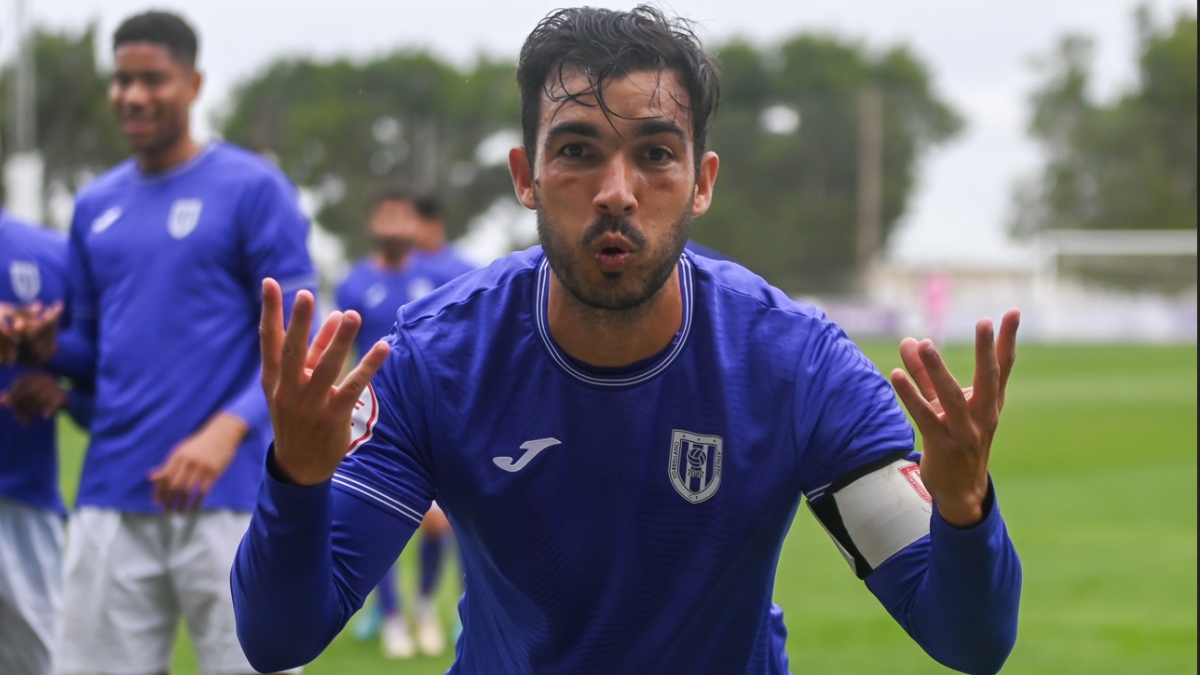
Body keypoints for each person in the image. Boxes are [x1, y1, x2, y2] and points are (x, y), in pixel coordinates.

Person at [233, 6, 1022, 675]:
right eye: (576, 151)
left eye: (655, 154)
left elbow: (968, 640)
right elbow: (278, 638)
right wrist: (295, 478)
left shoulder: (794, 364)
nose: (616, 191)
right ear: (526, 176)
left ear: (703, 181)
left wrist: (963, 509)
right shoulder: (438, 361)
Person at [10, 11, 314, 675]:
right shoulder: (94, 204)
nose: (134, 95)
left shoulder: (253, 187)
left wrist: (226, 430)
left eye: (153, 78)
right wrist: (43, 351)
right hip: (112, 492)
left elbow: (298, 335)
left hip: (232, 498)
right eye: (122, 80)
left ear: (194, 82)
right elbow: (95, 351)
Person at [336, 184, 474, 658]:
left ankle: (421, 607)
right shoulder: (354, 282)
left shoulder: (439, 277)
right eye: (386, 216)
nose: (395, 226)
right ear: (374, 223)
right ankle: (391, 616)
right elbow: (343, 354)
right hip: (370, 423)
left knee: (438, 524)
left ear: (416, 225)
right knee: (378, 521)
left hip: (427, 419)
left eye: (404, 217)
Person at [0, 209, 92, 675]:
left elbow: (108, 370)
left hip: (23, 503)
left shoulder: (50, 253)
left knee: (42, 665)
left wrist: (50, 355)